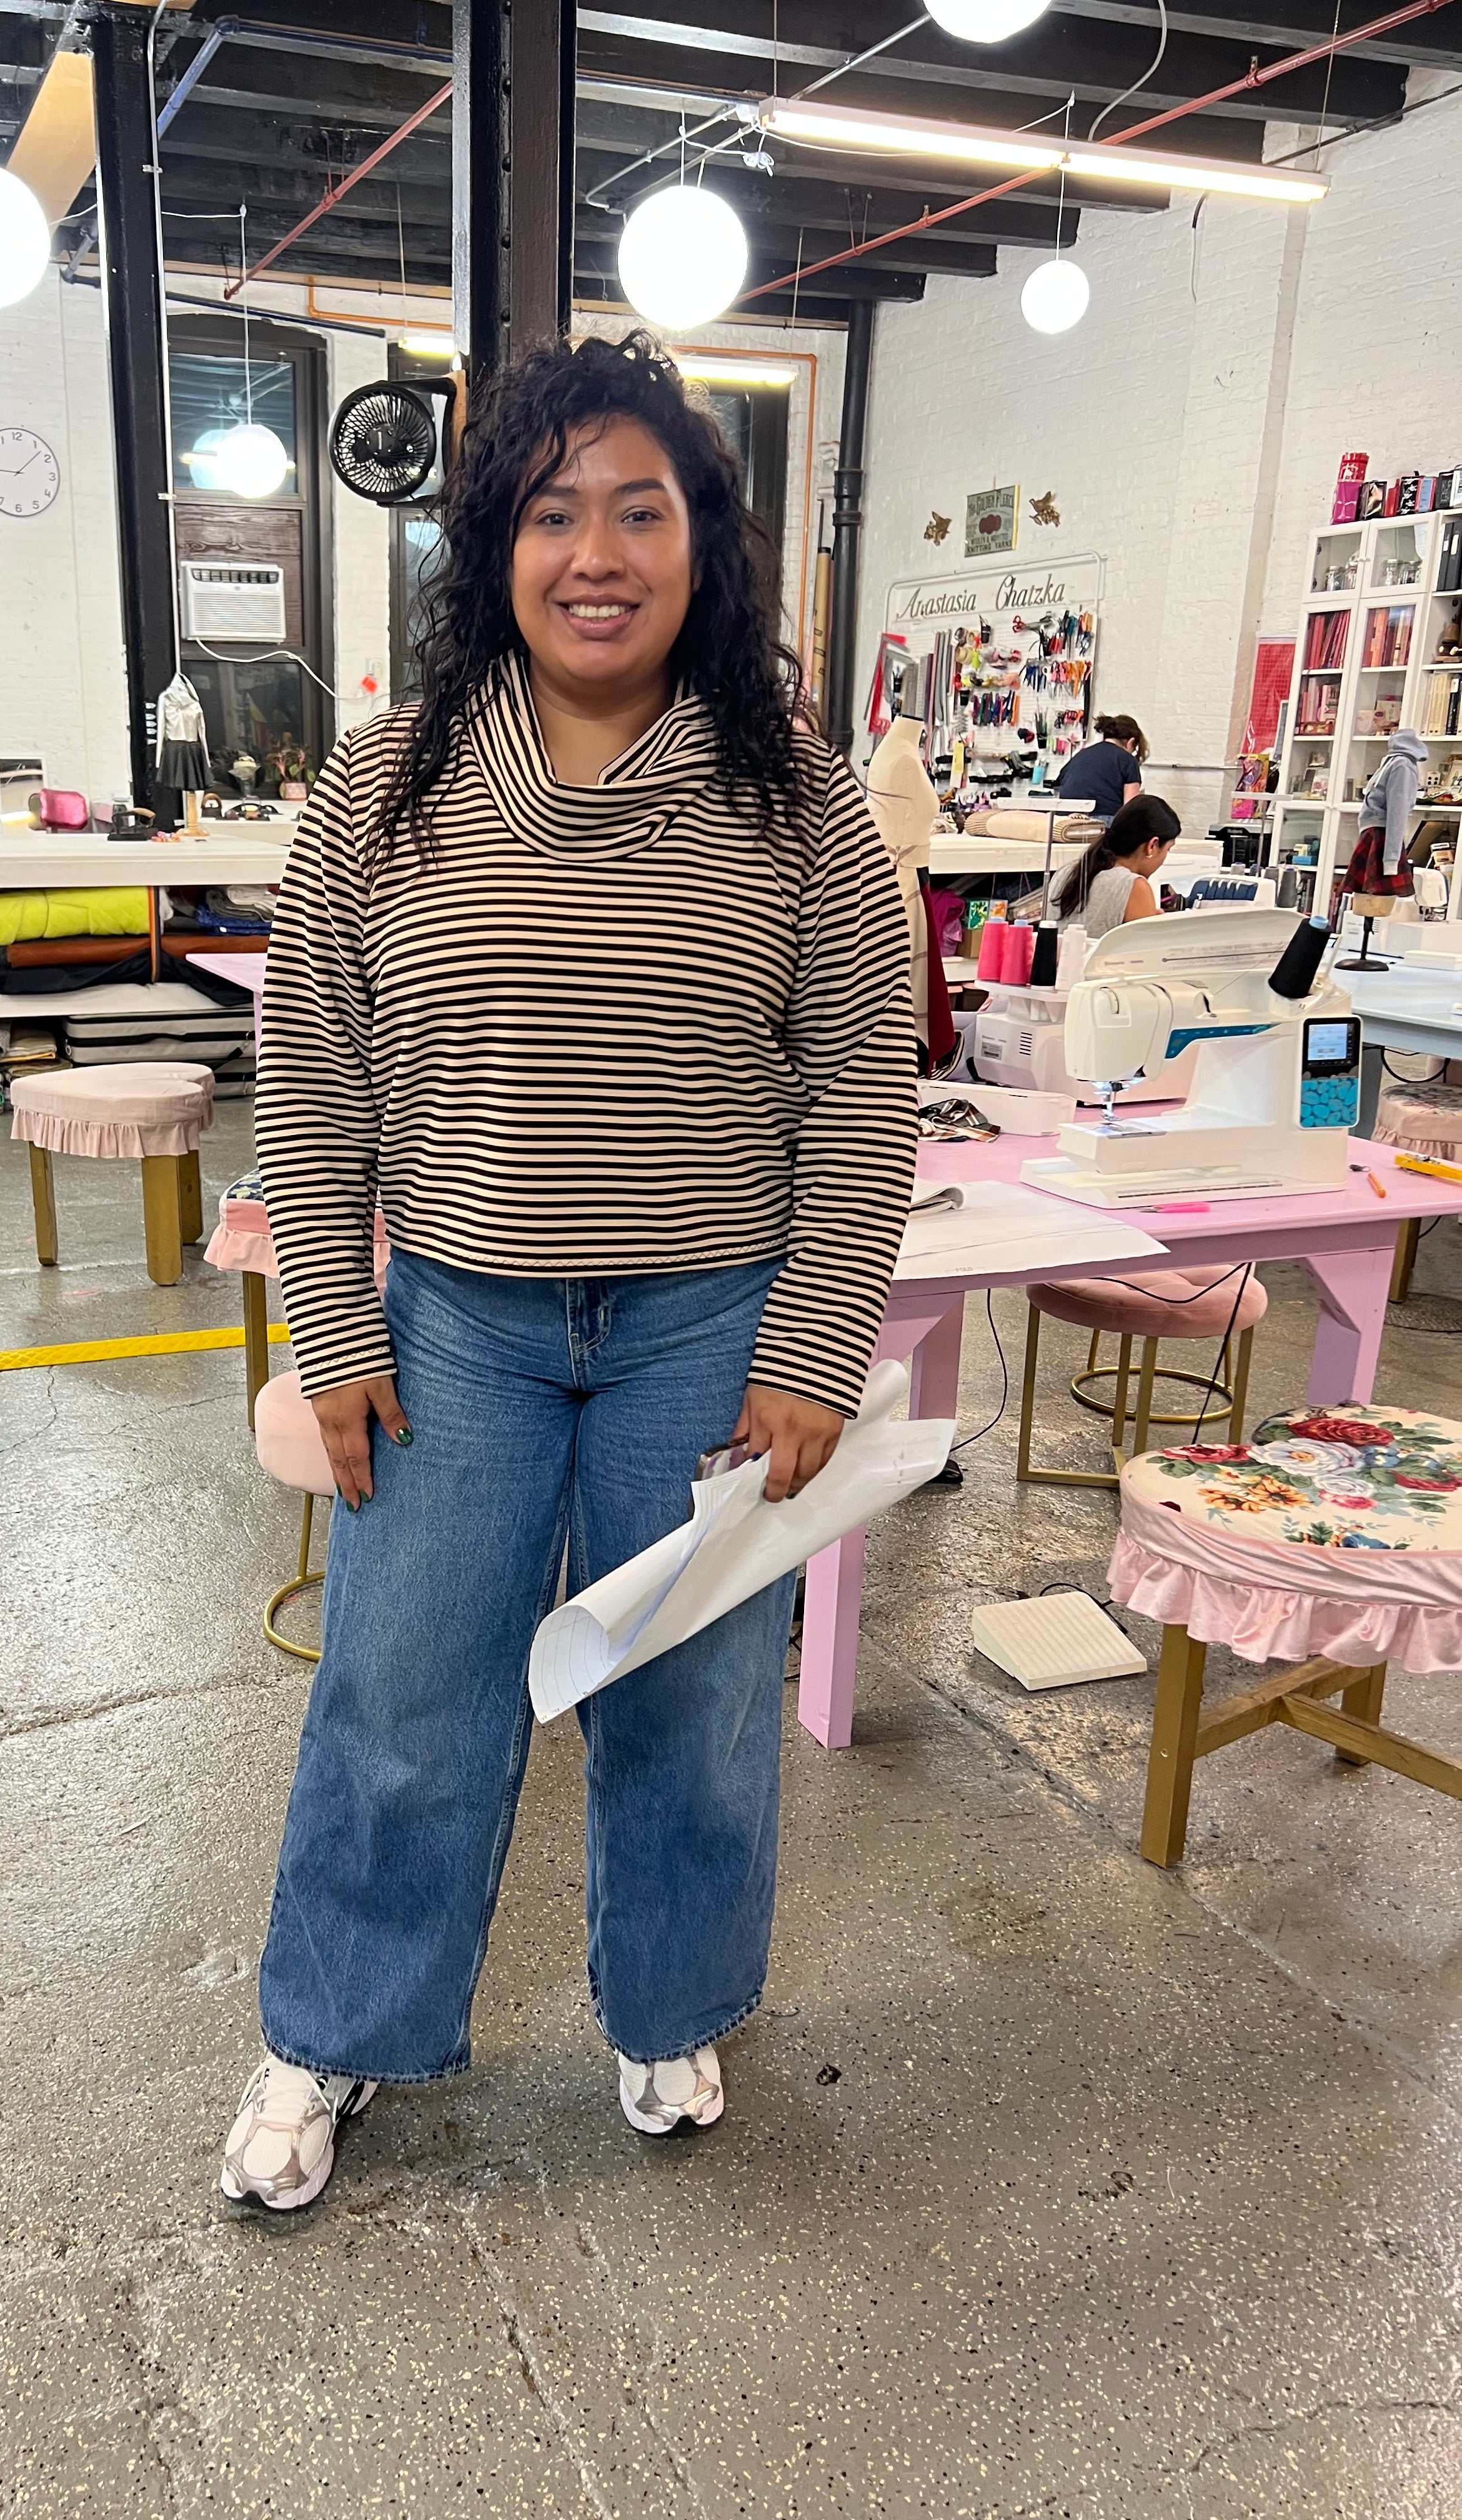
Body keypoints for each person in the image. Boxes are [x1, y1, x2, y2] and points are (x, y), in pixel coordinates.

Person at [221, 332, 916, 2213]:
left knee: (690, 1697)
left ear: (703, 545)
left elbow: (865, 1085)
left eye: (640, 509)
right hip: (457, 1329)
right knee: (401, 1690)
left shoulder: (800, 802)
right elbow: (313, 1077)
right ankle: (334, 2028)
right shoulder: (386, 787)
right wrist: (333, 1330)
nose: (595, 553)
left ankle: (671, 2005)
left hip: (709, 1327)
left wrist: (815, 1352)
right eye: (551, 513)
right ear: (494, 546)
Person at [1049, 793, 1181, 937]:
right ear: (1152, 846)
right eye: (1168, 849)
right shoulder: (1135, 886)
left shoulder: (1067, 872)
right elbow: (1146, 948)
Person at [1059, 712, 1148, 821]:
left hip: (1065, 821)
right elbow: (1130, 810)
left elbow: (1062, 783)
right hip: (1102, 820)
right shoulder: (1127, 759)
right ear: (1131, 742)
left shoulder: (1080, 755)